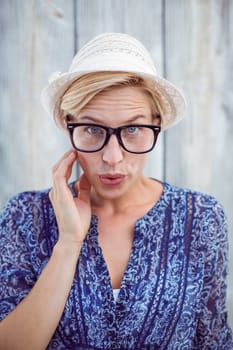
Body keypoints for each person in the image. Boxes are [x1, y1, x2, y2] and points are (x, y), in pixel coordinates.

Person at [0, 32, 232, 350]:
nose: (112, 158)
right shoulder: (25, 215)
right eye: (93, 129)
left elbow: (214, 340)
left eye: (133, 129)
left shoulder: (201, 217)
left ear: (157, 124)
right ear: (70, 126)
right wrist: (68, 242)